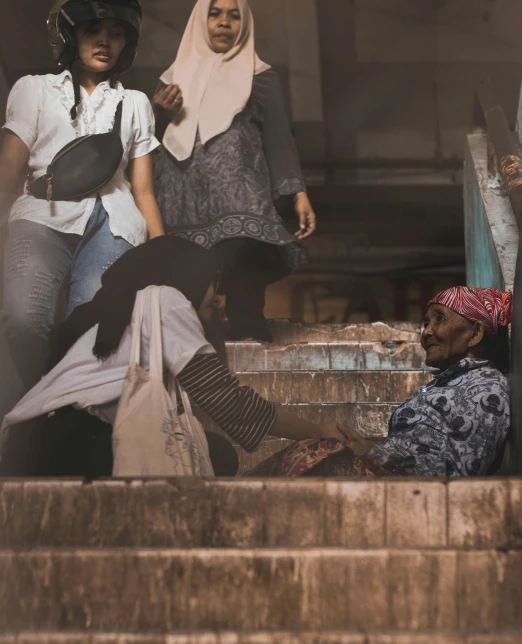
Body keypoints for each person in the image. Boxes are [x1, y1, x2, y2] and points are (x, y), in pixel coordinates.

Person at [0, 236, 347, 479]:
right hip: (73, 445)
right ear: (189, 278)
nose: (218, 298)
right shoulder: (165, 300)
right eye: (213, 283)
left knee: (208, 450)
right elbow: (229, 405)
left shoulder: (113, 313)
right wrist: (318, 429)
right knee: (215, 454)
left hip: (33, 445)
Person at [0, 0, 164, 394]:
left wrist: (164, 256)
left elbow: (142, 189)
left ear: (128, 43)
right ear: (70, 35)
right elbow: (8, 168)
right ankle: (35, 404)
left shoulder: (136, 103)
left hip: (114, 221)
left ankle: (65, 412)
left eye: (117, 32)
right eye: (93, 30)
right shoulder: (34, 89)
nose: (105, 41)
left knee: (90, 329)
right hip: (42, 214)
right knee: (24, 318)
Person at [152, 0, 316, 343]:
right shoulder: (170, 80)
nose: (224, 23)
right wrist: (158, 113)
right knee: (191, 294)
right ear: (200, 20)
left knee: (244, 265)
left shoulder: (262, 77)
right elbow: (146, 142)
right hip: (183, 198)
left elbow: (278, 138)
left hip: (241, 194)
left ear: (245, 23)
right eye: (215, 14)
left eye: (233, 15)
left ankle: (251, 342)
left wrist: (298, 192)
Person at [250, 287, 512, 478]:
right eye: (425, 322)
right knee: (316, 449)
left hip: (419, 494)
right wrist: (369, 449)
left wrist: (375, 453)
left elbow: (464, 470)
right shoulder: (447, 385)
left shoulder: (486, 388)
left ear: (476, 333)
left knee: (316, 459)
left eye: (440, 319)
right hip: (395, 478)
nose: (426, 332)